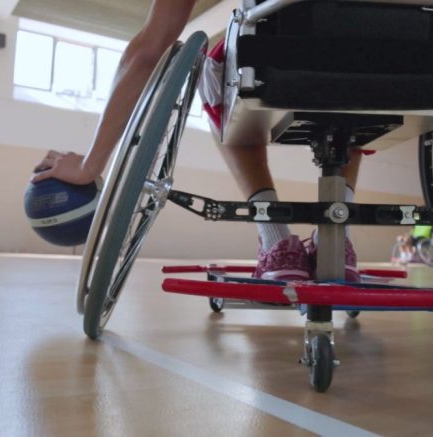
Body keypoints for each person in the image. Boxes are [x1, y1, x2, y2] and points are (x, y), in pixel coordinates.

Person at [32, 0, 361, 282]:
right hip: (378, 64)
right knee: (365, 81)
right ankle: (337, 239)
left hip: (283, 58)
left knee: (218, 74)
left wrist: (90, 165)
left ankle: (277, 242)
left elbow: (149, 50)